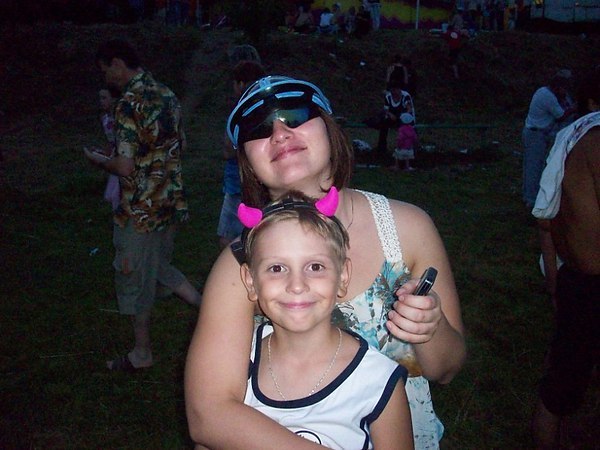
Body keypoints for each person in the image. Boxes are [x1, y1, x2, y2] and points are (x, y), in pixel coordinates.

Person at [184, 75, 465, 449]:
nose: (280, 133)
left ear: (330, 129)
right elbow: (209, 414)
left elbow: (446, 370)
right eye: (259, 128)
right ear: (246, 160)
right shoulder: (239, 264)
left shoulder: (408, 229)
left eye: (296, 115)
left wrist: (429, 328)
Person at [238, 188, 414, 449]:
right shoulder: (236, 362)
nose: (297, 285)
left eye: (315, 267)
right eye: (277, 268)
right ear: (251, 281)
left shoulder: (378, 382)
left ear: (343, 275)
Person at [84, 39, 201, 371]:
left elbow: (124, 167)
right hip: (169, 203)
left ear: (118, 63)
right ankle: (212, 309)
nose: (106, 77)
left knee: (135, 279)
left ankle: (142, 353)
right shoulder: (168, 95)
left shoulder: (128, 104)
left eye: (106, 70)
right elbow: (181, 145)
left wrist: (98, 160)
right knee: (158, 267)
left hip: (140, 210)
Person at [531, 69, 600, 449]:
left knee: (565, 382)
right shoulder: (594, 140)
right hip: (589, 284)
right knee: (563, 385)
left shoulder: (572, 140)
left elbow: (546, 221)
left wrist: (555, 284)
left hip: (576, 278)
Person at [217, 60, 266, 249]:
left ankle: (235, 266)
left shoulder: (240, 111)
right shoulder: (267, 108)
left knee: (228, 239)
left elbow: (228, 150)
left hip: (238, 183)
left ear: (240, 83)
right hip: (261, 184)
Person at [522, 70, 577, 209]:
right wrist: (576, 108)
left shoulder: (560, 95)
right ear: (557, 86)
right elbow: (561, 115)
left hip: (545, 134)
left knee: (543, 166)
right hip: (535, 133)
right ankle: (530, 199)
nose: (565, 91)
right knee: (533, 166)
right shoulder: (546, 95)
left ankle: (539, 196)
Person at [86, 87, 121, 211]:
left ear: (114, 99)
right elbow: (111, 142)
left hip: (125, 159)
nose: (101, 101)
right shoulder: (105, 119)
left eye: (105, 98)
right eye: (100, 98)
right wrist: (102, 153)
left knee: (116, 196)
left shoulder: (121, 118)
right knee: (110, 196)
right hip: (115, 157)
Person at [374, 82, 415, 156]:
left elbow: (409, 109)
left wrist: (401, 116)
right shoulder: (388, 97)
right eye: (392, 90)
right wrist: (390, 114)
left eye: (395, 90)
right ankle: (381, 149)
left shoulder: (405, 96)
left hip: (404, 118)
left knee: (405, 129)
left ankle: (406, 149)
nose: (394, 92)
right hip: (393, 117)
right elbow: (385, 110)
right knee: (383, 124)